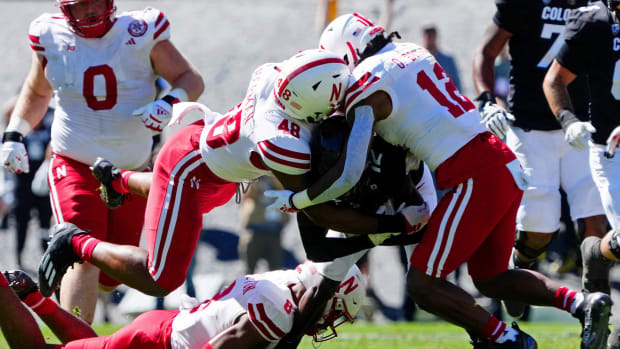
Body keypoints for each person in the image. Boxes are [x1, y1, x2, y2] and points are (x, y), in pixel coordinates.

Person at [267, 13, 612, 348]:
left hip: (474, 174)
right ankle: (583, 304)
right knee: (491, 278)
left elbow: (349, 173)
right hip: (504, 163)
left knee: (423, 284)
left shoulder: (366, 85)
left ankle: (505, 339)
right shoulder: (413, 51)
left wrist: (300, 199)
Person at [38, 48, 429, 300]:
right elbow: (318, 218)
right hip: (188, 170)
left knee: (201, 193)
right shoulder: (282, 143)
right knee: (161, 278)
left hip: (220, 170)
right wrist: (387, 225)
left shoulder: (274, 76)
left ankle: (118, 180)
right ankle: (76, 243)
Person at [0, 0, 204, 322]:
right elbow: (38, 92)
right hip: (74, 162)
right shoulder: (50, 34)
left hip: (130, 171)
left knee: (112, 278)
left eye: (95, 1)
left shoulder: (140, 30)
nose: (90, 11)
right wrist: (14, 133)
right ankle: (76, 340)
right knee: (81, 252)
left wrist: (169, 101)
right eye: (80, 6)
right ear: (66, 9)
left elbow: (189, 78)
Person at [472, 0, 610, 320]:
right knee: (538, 230)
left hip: (581, 127)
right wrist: (487, 100)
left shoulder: (597, 7)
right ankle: (520, 267)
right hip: (530, 129)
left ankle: (594, 315)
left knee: (595, 225)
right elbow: (486, 52)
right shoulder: (527, 4)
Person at [1, 259, 364, 348]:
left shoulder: (284, 283)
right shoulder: (279, 310)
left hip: (166, 328)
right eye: (334, 313)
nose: (325, 323)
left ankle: (32, 297)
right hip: (158, 342)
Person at [542, 1, 620, 347]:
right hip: (611, 150)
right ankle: (595, 252)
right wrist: (569, 122)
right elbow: (555, 80)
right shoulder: (593, 22)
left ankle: (595, 252)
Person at [3, 96, 53, 268]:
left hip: (43, 185)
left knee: (46, 225)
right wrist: (25, 100)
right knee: (20, 224)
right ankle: (18, 259)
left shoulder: (49, 128)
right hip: (22, 185)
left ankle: (48, 263)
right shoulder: (17, 134)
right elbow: (8, 111)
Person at [239, 176, 289, 274]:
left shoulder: (277, 182)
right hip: (254, 231)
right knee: (249, 272)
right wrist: (256, 180)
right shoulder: (253, 180)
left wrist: (274, 178)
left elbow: (286, 190)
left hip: (274, 232)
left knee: (276, 272)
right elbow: (247, 195)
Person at [421, 25, 462, 92]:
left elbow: (457, 84)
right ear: (424, 38)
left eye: (432, 36)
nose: (430, 39)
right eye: (428, 36)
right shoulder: (418, 61)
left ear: (436, 37)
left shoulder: (447, 60)